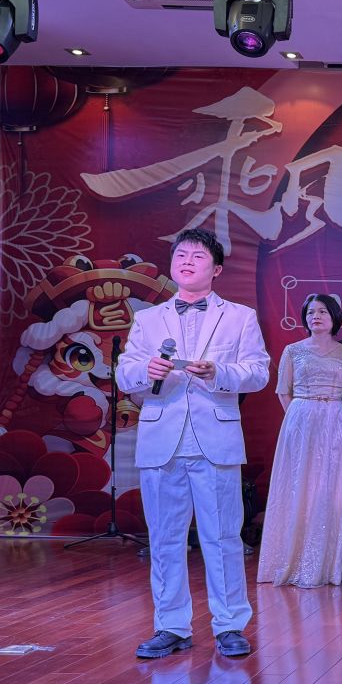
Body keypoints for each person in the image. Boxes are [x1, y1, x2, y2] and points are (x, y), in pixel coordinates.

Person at [116, 229, 270, 660]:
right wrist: (147, 370)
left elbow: (258, 372)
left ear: (216, 269)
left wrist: (218, 372)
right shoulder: (149, 319)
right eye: (181, 254)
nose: (187, 261)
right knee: (165, 538)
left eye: (198, 256)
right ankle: (170, 625)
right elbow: (125, 374)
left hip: (215, 439)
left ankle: (230, 625)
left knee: (222, 537)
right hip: (161, 438)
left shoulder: (239, 317)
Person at [257, 294, 342, 587]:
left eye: (323, 311)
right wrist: (300, 418)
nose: (316, 316)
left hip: (334, 419)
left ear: (335, 317)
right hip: (301, 418)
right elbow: (283, 391)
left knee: (329, 486)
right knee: (298, 483)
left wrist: (333, 415)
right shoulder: (292, 350)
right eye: (311, 312)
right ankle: (292, 559)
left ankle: (327, 563)